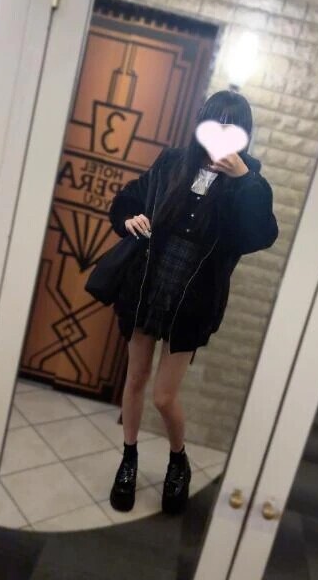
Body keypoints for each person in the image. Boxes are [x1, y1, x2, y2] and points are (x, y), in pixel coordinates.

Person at [108, 90, 278, 515]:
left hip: (194, 299)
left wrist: (243, 180)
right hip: (148, 286)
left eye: (231, 126)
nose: (220, 132)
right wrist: (128, 218)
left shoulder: (248, 180)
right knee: (135, 378)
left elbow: (260, 235)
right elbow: (129, 199)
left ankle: (177, 459)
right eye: (214, 122)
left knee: (165, 396)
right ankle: (128, 459)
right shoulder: (173, 162)